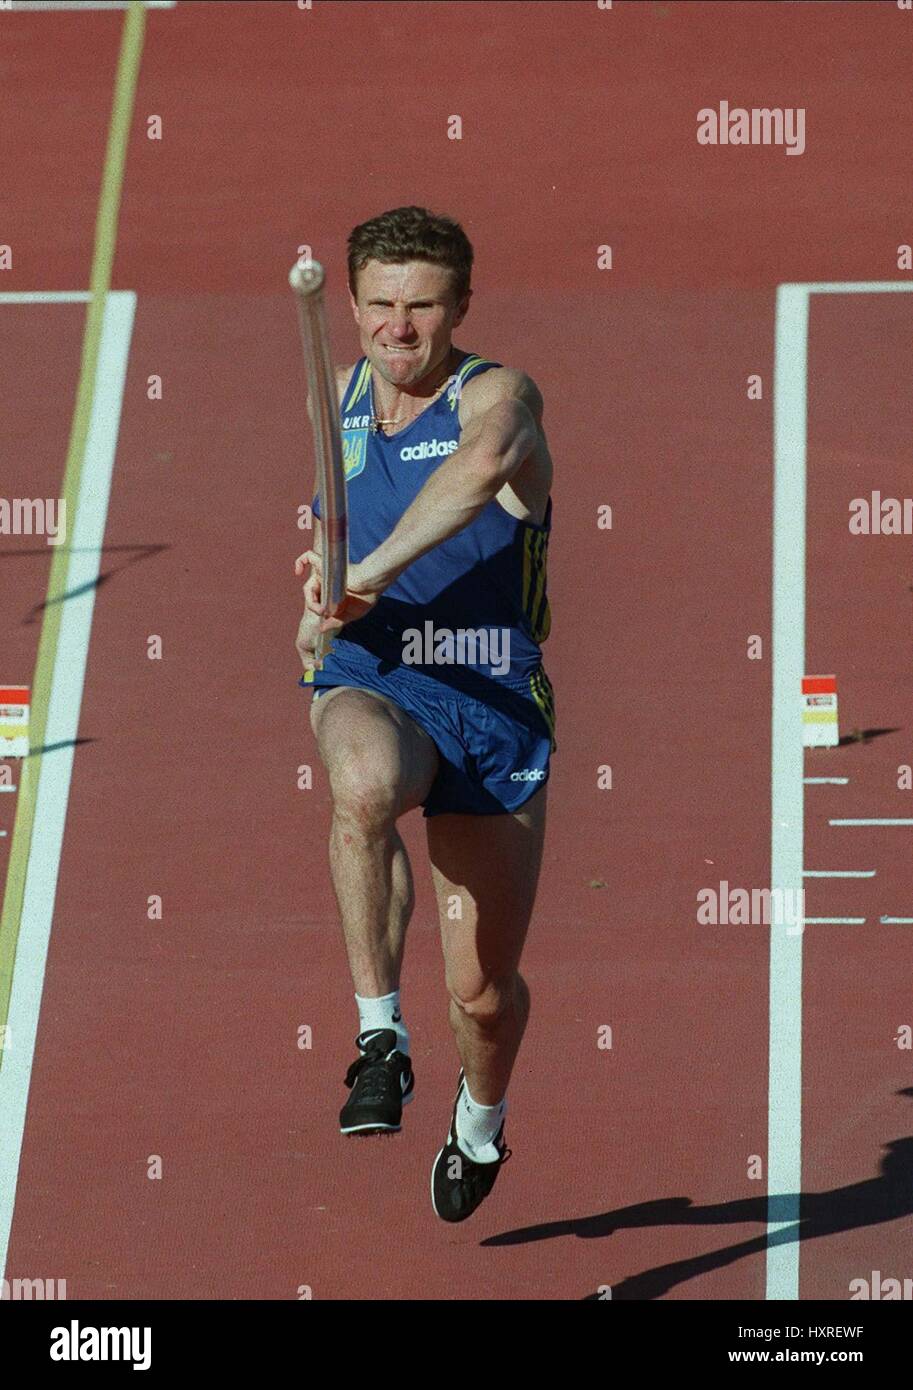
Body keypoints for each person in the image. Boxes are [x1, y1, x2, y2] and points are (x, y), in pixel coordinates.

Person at [294, 206, 555, 1222]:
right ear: (352, 304)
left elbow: (478, 472)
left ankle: (480, 1123)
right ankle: (377, 1038)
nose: (396, 327)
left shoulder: (499, 396)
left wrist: (362, 571)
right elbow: (328, 526)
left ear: (459, 308)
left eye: (420, 306)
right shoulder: (344, 399)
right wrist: (315, 601)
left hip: (493, 697)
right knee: (360, 783)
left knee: (484, 994)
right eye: (378, 306)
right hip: (379, 677)